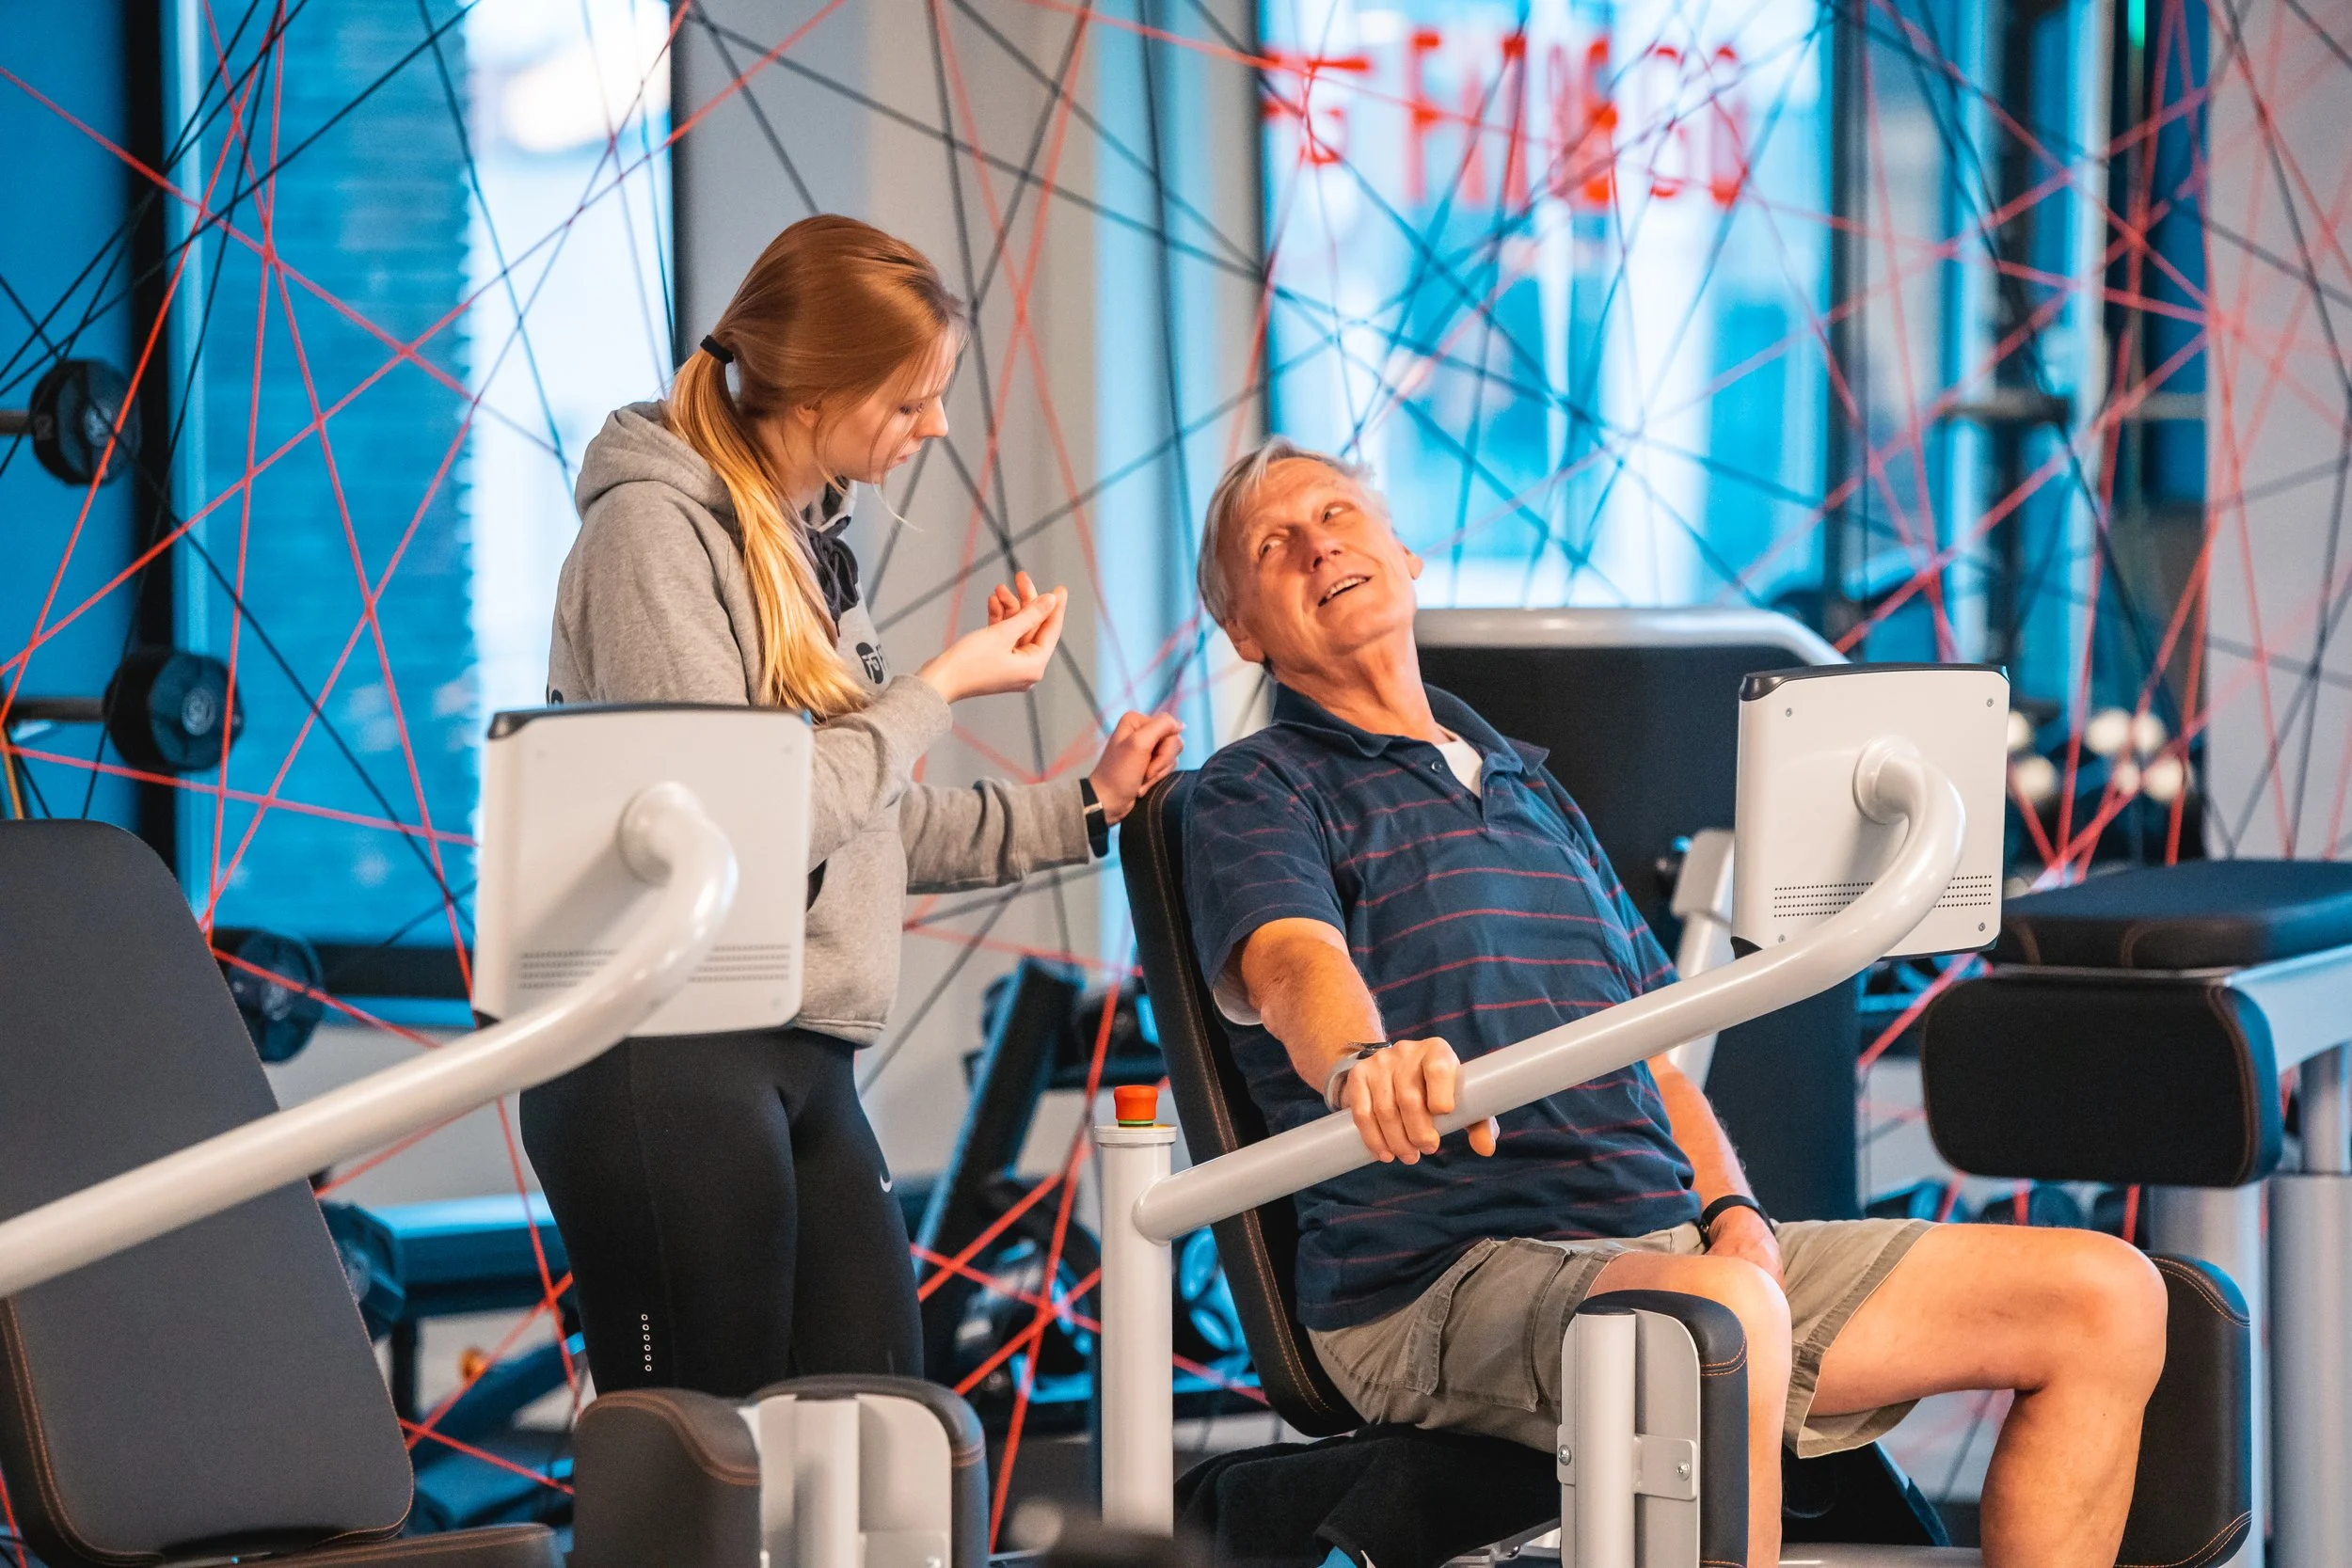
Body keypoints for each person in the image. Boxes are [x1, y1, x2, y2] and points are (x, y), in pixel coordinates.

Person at [1177, 436, 2169, 1568]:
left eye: (1338, 515)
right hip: (1436, 1277)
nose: (1318, 544)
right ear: (1244, 631)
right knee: (1711, 1327)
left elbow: (1647, 1061)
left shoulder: (1530, 792)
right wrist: (1363, 1058)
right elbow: (1289, 960)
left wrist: (1732, 1212)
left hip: (1658, 1248)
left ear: (1401, 554)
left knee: (2104, 1293)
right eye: (1273, 543)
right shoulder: (1258, 786)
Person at [521, 214, 1183, 1400]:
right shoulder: (649, 536)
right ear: (817, 392)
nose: (933, 426)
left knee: (889, 1430)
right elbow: (745, 828)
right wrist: (939, 686)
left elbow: (860, 820)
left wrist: (1088, 804)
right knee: (704, 1461)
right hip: (661, 1057)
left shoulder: (805, 548)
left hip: (800, 1045)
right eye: (907, 400)